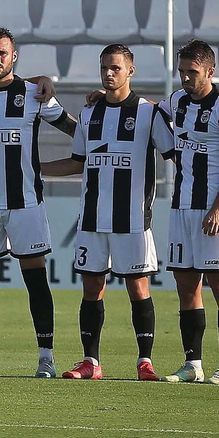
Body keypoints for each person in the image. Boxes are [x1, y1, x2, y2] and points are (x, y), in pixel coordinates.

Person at [40, 45, 175, 381]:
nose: (109, 73)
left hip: (132, 220)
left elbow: (177, 155)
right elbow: (77, 162)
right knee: (91, 289)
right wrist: (35, 168)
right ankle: (91, 362)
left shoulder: (149, 113)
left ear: (131, 70)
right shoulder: (90, 113)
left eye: (115, 67)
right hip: (92, 219)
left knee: (138, 289)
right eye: (104, 68)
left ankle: (145, 362)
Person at [0, 28, 77, 378]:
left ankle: (46, 358)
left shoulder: (34, 94)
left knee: (35, 281)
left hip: (26, 204)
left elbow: (73, 128)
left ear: (14, 55)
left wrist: (100, 132)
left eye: (2, 52)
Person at [160, 40, 219, 386]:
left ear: (210, 71)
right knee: (186, 284)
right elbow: (148, 109)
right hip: (182, 208)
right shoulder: (177, 102)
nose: (185, 79)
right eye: (181, 72)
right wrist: (99, 96)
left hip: (216, 211)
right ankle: (192, 363)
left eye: (192, 73)